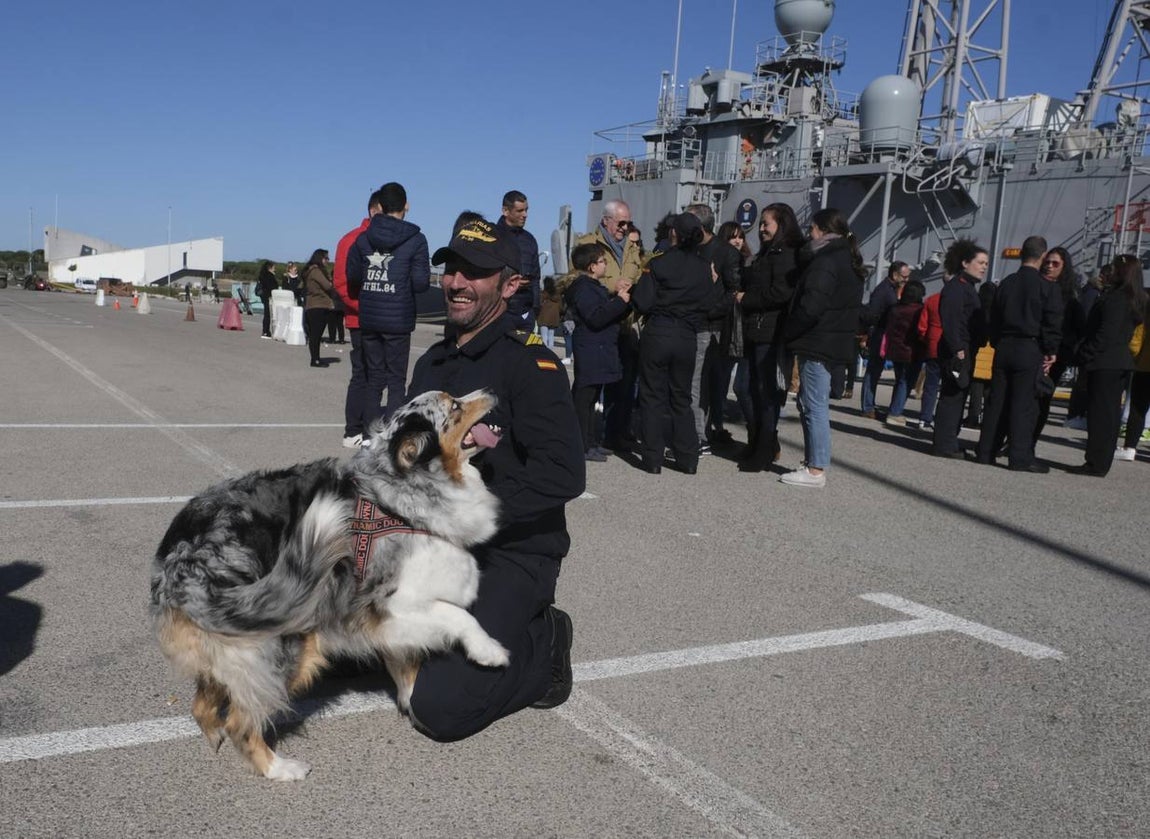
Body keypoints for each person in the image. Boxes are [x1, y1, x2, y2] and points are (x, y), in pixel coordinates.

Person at [404, 217, 585, 741]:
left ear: (509, 285)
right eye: (452, 270)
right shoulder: (432, 364)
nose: (457, 282)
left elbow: (563, 473)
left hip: (511, 553)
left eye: (476, 273)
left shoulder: (531, 365)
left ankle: (545, 641)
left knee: (440, 709)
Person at [779, 207, 866, 487]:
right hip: (833, 339)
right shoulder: (847, 260)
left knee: (814, 405)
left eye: (812, 230)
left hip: (817, 340)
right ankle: (813, 463)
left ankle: (816, 468)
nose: (808, 235)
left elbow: (812, 306)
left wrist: (790, 331)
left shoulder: (826, 261)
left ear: (822, 231)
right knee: (813, 403)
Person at [631, 212, 721, 474]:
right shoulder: (704, 268)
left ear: (674, 234)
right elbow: (709, 304)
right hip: (687, 335)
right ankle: (688, 459)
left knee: (652, 397)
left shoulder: (657, 264)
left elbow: (643, 302)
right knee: (681, 398)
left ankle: (652, 459)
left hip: (659, 331)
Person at [974, 235, 1062, 472]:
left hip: (1004, 347)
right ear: (1042, 257)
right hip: (1029, 346)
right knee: (1023, 404)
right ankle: (1019, 456)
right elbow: (1051, 321)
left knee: (996, 401)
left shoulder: (1007, 283)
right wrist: (1050, 349)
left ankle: (985, 451)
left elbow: (994, 317)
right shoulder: (1046, 287)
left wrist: (997, 340)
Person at [346, 181, 431, 423]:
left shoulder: (363, 239)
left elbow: (352, 276)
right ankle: (390, 437)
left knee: (374, 379)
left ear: (380, 206)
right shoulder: (416, 240)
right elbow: (421, 282)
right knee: (396, 381)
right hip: (398, 318)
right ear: (406, 205)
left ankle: (367, 434)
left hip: (370, 317)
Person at [735, 203, 802, 471]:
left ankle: (762, 449)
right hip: (754, 329)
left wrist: (747, 299)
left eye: (766, 224)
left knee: (766, 393)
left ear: (781, 225)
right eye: (761, 224)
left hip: (771, 332)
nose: (761, 229)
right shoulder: (767, 253)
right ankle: (761, 439)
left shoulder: (786, 254)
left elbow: (781, 293)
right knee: (744, 388)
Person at [571, 200, 644, 451]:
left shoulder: (633, 249)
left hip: (624, 325)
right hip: (598, 326)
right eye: (620, 223)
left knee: (622, 384)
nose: (624, 228)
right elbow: (576, 280)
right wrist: (610, 290)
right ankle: (585, 438)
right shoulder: (587, 245)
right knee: (589, 388)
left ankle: (615, 433)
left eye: (627, 223)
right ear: (606, 221)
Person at [1072, 254, 1146, 475]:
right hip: (1117, 361)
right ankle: (1100, 460)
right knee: (1109, 413)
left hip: (1105, 361)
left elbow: (1106, 332)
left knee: (1101, 414)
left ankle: (1096, 462)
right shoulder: (1132, 298)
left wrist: (1086, 353)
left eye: (1113, 268)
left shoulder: (1117, 298)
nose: (1108, 272)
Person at [565, 243, 632, 462]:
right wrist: (619, 303)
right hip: (591, 348)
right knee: (583, 400)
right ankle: (581, 445)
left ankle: (591, 441)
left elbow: (607, 313)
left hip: (600, 348)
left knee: (592, 399)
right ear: (592, 266)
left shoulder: (596, 287)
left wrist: (623, 303)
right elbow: (595, 317)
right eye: (603, 261)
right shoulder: (584, 288)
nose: (606, 265)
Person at [686, 204, 741, 451]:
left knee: (698, 382)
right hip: (688, 322)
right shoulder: (688, 249)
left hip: (711, 325)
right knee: (693, 381)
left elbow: (733, 291)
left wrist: (712, 309)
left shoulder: (725, 253)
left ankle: (698, 435)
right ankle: (698, 430)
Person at [332, 190, 383, 448]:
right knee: (363, 373)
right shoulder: (352, 240)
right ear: (374, 211)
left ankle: (367, 427)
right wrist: (367, 308)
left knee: (379, 375)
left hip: (385, 320)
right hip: (361, 320)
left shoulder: (387, 242)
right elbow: (341, 284)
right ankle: (354, 429)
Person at [931, 240, 988, 458]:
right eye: (980, 262)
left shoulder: (966, 287)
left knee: (958, 394)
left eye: (985, 263)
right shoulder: (957, 288)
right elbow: (951, 320)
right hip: (958, 348)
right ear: (965, 262)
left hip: (964, 347)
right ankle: (944, 445)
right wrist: (957, 349)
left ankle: (949, 441)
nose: (983, 266)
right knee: (952, 395)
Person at [1033, 246, 1079, 446]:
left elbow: (1076, 330)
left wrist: (1057, 352)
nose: (1049, 267)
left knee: (1041, 400)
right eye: (1047, 262)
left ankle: (1030, 442)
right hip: (1032, 351)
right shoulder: (1035, 288)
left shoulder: (1069, 300)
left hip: (1054, 356)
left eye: (1055, 264)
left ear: (1064, 267)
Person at [859, 261, 910, 419]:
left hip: (886, 334)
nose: (906, 280)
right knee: (873, 370)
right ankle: (867, 407)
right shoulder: (883, 291)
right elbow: (872, 314)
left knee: (876, 370)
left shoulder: (892, 290)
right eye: (904, 276)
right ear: (894, 275)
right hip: (879, 333)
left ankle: (870, 405)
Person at [496, 190, 542, 333]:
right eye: (520, 210)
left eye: (526, 210)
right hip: (501, 311)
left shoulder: (530, 240)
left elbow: (536, 277)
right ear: (505, 211)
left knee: (524, 354)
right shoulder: (493, 236)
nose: (525, 215)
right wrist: (509, 282)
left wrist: (535, 308)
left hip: (525, 314)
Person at [882, 279, 926, 425]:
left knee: (900, 380)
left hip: (895, 350)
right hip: (912, 351)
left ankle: (894, 408)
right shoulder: (919, 310)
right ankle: (895, 412)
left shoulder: (895, 309)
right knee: (906, 383)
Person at [1116, 285, 1150, 461]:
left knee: (1138, 408)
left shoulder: (1147, 308)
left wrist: (1134, 358)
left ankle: (1129, 447)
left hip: (1146, 366)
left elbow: (1137, 339)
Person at [916, 281, 944, 430]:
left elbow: (922, 326)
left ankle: (924, 417)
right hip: (951, 347)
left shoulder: (932, 300)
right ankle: (943, 420)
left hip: (933, 343)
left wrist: (925, 339)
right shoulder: (960, 300)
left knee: (930, 385)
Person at [303, 250, 334, 368]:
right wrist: (331, 282)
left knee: (315, 335)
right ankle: (315, 360)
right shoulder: (316, 271)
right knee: (316, 335)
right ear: (320, 258)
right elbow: (327, 285)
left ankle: (315, 358)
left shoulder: (310, 270)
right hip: (318, 305)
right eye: (326, 258)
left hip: (313, 305)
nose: (327, 261)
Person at [537, 276, 562, 351]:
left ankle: (545, 353)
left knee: (544, 337)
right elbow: (561, 307)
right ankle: (551, 352)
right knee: (551, 336)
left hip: (544, 318)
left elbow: (539, 304)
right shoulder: (557, 295)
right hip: (554, 318)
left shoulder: (543, 294)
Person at [255, 261, 278, 339]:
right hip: (269, 297)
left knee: (266, 314)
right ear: (269, 268)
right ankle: (265, 332)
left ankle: (266, 331)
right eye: (274, 267)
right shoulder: (269, 276)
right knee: (268, 315)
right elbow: (272, 287)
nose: (275, 269)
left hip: (264, 297)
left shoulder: (262, 276)